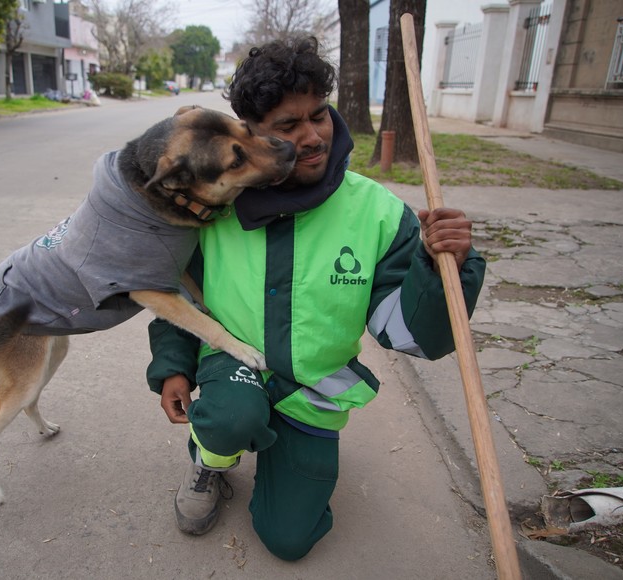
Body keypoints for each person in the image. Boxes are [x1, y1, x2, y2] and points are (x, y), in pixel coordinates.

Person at [146, 36, 486, 561]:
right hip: (233, 369)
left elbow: (410, 334)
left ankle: (289, 455)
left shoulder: (377, 212)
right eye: (287, 125)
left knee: (289, 540)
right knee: (230, 416)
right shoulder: (214, 202)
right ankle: (211, 461)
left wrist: (445, 269)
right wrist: (172, 364)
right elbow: (176, 293)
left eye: (319, 115)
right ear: (251, 132)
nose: (312, 136)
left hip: (313, 391)